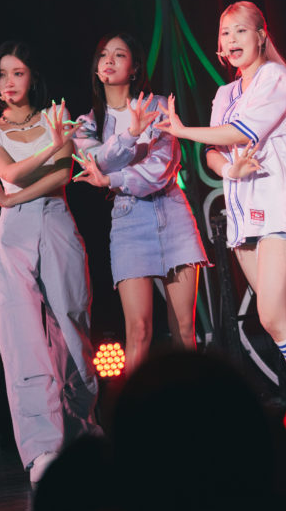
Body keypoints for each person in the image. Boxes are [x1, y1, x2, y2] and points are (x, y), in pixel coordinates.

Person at [156, 1, 286, 396]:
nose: (231, 40)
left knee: (272, 316)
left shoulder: (277, 77)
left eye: (240, 31)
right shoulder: (225, 92)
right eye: (225, 33)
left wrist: (183, 131)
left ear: (261, 36)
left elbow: (240, 133)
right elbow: (214, 152)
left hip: (282, 204)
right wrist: (228, 170)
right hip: (245, 214)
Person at [0, 41, 99, 485]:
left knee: (72, 330)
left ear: (33, 77)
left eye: (18, 72)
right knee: (22, 339)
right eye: (2, 74)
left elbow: (63, 175)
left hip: (57, 219)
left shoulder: (55, 117)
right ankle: (42, 449)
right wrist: (51, 149)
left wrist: (14, 194)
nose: (9, 82)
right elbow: (11, 172)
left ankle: (82, 433)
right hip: (15, 232)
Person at [71, 32, 207, 371]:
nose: (109, 60)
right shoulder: (86, 125)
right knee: (139, 330)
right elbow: (98, 161)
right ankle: (135, 404)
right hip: (129, 222)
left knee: (185, 330)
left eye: (119, 54)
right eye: (104, 54)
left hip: (172, 212)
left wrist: (113, 179)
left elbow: (161, 168)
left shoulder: (157, 106)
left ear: (134, 68)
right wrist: (131, 135)